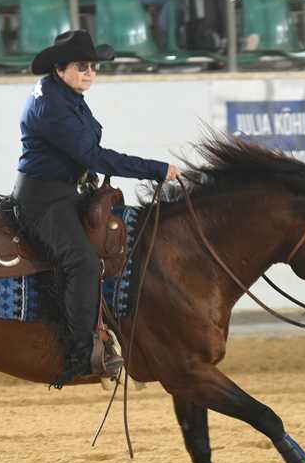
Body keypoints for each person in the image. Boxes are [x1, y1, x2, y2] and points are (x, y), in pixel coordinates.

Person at [14, 30, 181, 388]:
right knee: (83, 263)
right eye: (82, 66)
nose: (90, 72)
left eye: (93, 66)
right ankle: (79, 354)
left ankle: (115, 334)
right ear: (60, 68)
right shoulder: (52, 106)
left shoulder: (64, 94)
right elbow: (92, 155)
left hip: (64, 192)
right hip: (43, 201)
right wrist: (155, 169)